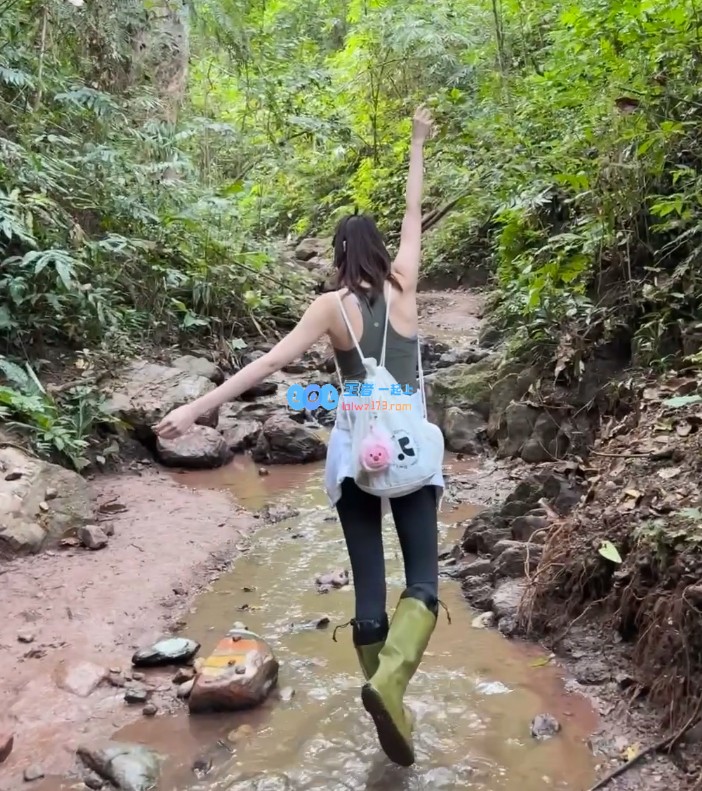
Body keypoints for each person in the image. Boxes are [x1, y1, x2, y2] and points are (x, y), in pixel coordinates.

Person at [154, 105, 443, 768]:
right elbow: (413, 208)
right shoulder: (405, 284)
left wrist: (199, 406)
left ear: (341, 256)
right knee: (422, 581)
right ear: (379, 252)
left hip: (354, 458)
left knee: (369, 589)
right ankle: (393, 681)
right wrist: (418, 141)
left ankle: (383, 695)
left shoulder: (329, 306)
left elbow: (268, 366)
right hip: (413, 452)